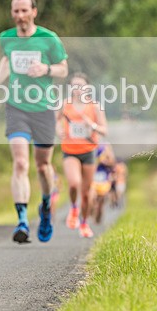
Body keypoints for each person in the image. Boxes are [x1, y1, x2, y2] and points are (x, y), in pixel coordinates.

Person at [0, 0, 68, 244]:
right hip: (16, 107)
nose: (20, 16)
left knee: (43, 167)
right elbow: (6, 61)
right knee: (21, 164)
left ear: (34, 11)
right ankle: (21, 220)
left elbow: (63, 68)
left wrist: (46, 69)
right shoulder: (6, 38)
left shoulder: (49, 39)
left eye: (24, 11)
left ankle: (45, 206)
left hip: (44, 108)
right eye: (16, 11)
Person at [57, 72, 108, 238]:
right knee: (74, 184)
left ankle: (84, 224)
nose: (77, 89)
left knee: (86, 193)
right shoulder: (65, 104)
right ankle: (73, 209)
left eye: (81, 85)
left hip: (89, 151)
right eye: (74, 86)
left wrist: (91, 125)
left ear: (88, 88)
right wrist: (59, 131)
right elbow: (56, 120)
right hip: (70, 151)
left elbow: (104, 130)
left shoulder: (95, 107)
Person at [90, 143, 116, 224]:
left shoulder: (109, 155)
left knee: (101, 202)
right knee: (92, 198)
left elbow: (112, 164)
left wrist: (106, 161)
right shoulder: (94, 152)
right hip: (94, 180)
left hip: (104, 180)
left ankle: (98, 219)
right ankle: (92, 211)